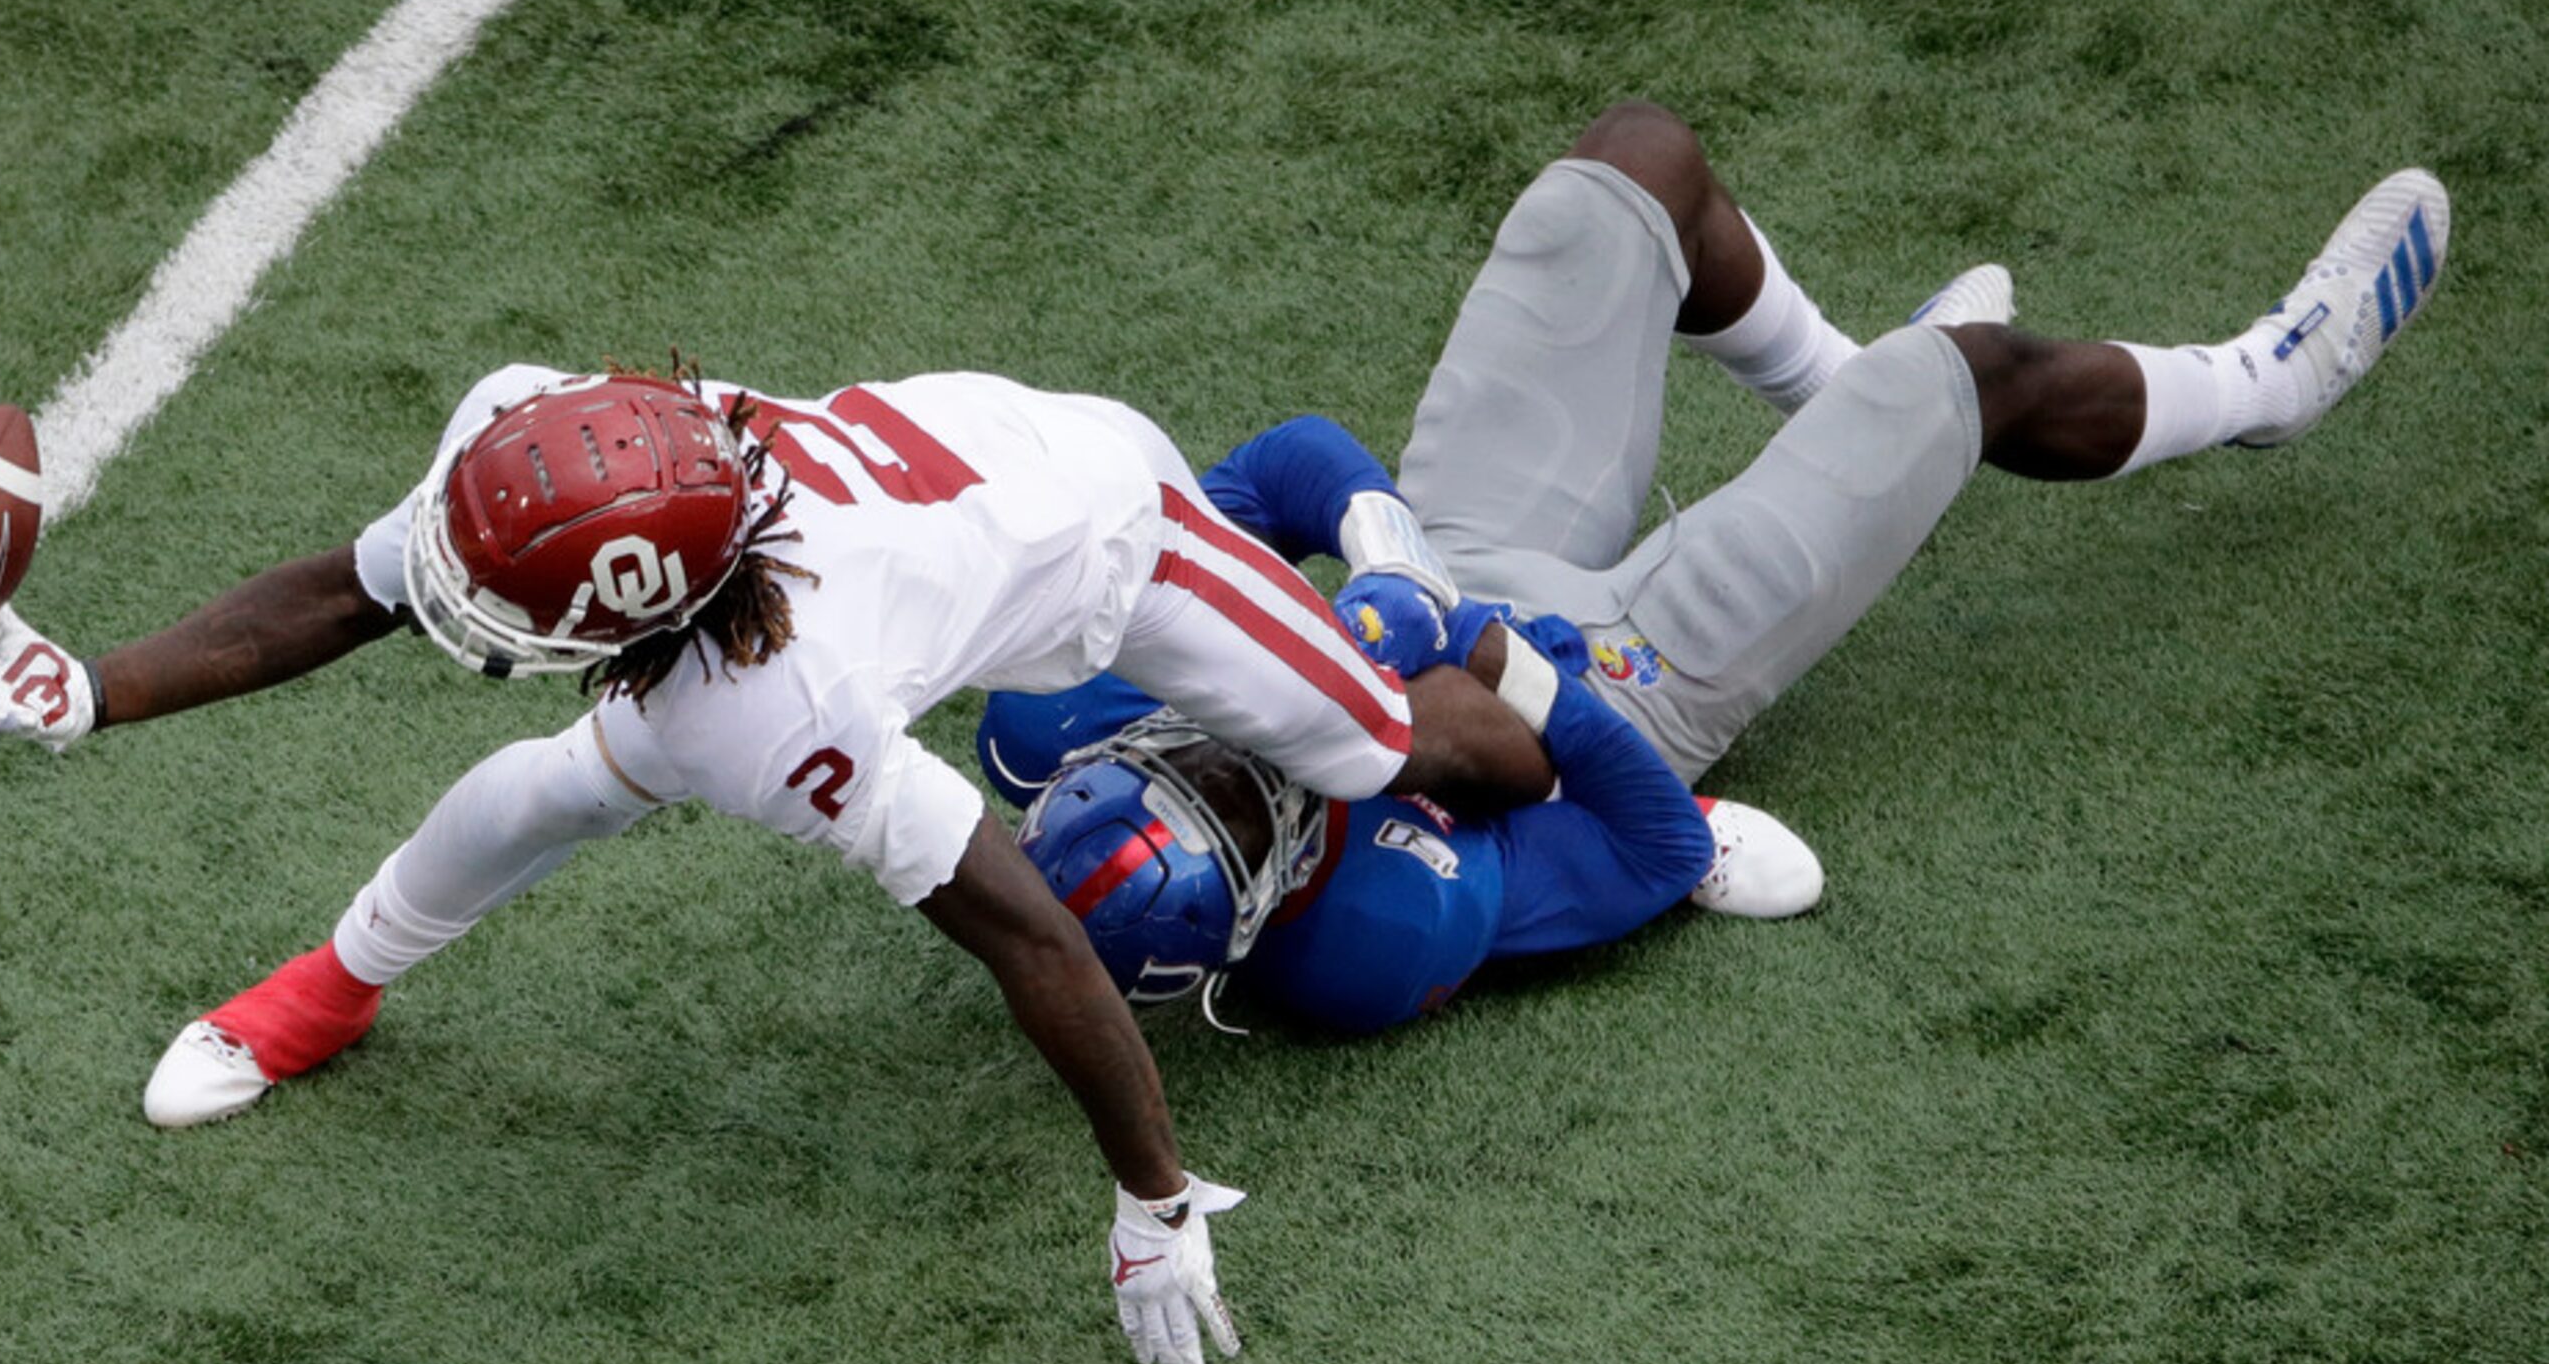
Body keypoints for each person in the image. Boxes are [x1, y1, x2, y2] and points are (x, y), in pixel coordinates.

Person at [0, 360, 1559, 1364]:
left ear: (653, 617)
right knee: (558, 786)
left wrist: (1152, 1198)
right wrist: (97, 688)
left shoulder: (781, 707)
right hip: (942, 485)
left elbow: (1027, 934)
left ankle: (1533, 682)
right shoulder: (543, 437)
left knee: (1392, 743)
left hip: (1111, 535)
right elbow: (347, 587)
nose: (471, 607)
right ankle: (321, 995)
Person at [981, 98, 2448, 1031]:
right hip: (1625, 672)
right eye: (1254, 819)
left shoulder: (1057, 716)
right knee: (1966, 373)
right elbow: (1656, 848)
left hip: (1460, 540)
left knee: (1636, 168)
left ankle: (1835, 394)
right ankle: (2268, 383)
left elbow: (1275, 465)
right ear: (1254, 915)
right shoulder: (1374, 932)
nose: (1254, 768)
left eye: (1206, 760)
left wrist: (1383, 546)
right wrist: (1505, 677)